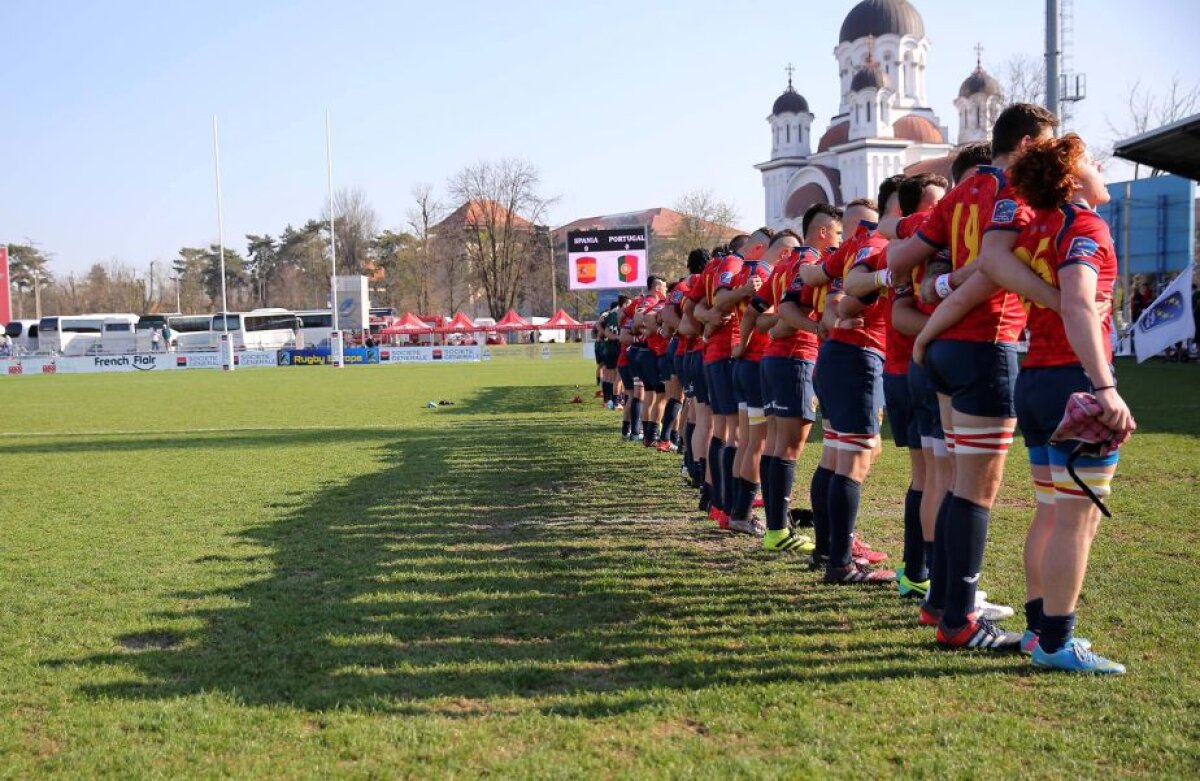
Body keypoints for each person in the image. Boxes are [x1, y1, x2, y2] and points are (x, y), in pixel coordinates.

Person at [915, 133, 1135, 673]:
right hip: (1071, 382)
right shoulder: (1083, 226)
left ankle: (1040, 631)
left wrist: (925, 336)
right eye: (1091, 163)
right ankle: (1057, 641)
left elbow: (977, 285)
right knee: (1076, 520)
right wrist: (1105, 386)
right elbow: (1080, 303)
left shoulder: (1030, 230)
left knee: (1051, 510)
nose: (1101, 168)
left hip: (1035, 380)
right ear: (1072, 177)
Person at [888, 102, 1060, 651]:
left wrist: (939, 294)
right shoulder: (1018, 193)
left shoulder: (961, 193)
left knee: (953, 477)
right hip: (986, 343)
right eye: (1051, 143)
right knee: (974, 490)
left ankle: (941, 601)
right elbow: (997, 266)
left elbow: (900, 260)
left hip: (942, 349)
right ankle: (959, 617)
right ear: (1030, 144)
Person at [755, 205, 843, 554]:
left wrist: (766, 332)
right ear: (822, 232)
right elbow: (782, 314)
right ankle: (778, 529)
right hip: (796, 360)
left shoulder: (784, 265)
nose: (840, 240)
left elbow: (757, 314)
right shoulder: (810, 265)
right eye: (837, 233)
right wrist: (813, 327)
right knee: (787, 446)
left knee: (775, 444)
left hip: (776, 360)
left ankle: (777, 526)